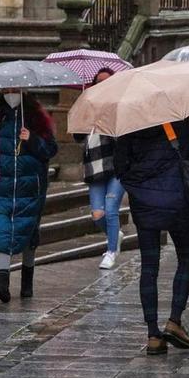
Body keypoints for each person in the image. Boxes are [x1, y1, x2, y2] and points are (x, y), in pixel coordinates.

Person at [114, 114, 189, 356]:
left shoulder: (131, 120)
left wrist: (137, 183)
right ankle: (174, 320)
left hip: (143, 201)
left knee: (149, 266)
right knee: (187, 258)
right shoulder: (188, 117)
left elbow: (119, 164)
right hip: (178, 199)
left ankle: (153, 336)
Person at [0, 90, 58, 303]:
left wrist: (31, 139)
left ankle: (27, 281)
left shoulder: (37, 118)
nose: (11, 94)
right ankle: (3, 284)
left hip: (30, 187)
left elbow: (50, 150)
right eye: (7, 90)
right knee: (1, 231)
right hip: (2, 187)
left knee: (28, 232)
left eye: (15, 91)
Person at [74, 68, 125, 270]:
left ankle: (111, 251)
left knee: (111, 210)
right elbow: (78, 137)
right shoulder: (89, 106)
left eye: (106, 81)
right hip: (94, 168)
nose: (102, 85)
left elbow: (123, 138)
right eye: (98, 81)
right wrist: (83, 117)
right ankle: (115, 234)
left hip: (115, 168)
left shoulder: (119, 107)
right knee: (97, 214)